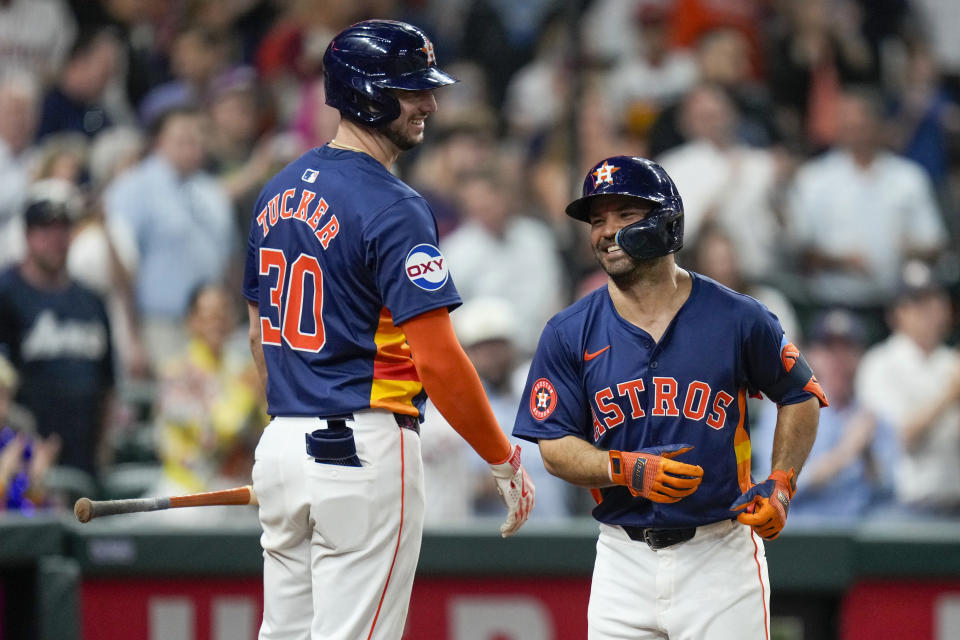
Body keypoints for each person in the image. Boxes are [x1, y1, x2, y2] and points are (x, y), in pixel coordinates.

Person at [242, 20, 535, 640]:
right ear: (367, 92)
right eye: (412, 90)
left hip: (284, 444)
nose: (430, 102)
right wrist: (502, 456)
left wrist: (293, 440)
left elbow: (258, 335)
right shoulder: (393, 203)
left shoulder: (276, 191)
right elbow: (439, 360)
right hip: (363, 447)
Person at [512, 155, 826, 639]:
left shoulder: (738, 317)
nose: (606, 232)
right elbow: (553, 447)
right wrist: (624, 467)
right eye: (598, 220)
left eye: (625, 216)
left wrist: (781, 483)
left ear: (667, 223)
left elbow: (800, 395)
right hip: (622, 558)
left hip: (720, 553)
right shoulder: (568, 331)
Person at [0, 179, 114, 481]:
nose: (55, 238)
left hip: (84, 456)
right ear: (26, 235)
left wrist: (104, 445)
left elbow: (107, 383)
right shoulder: (6, 293)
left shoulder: (91, 299)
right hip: (20, 463)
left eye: (63, 228)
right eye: (45, 229)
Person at [150, 282, 265, 525]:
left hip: (235, 494)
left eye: (223, 313)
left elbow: (264, 433)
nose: (217, 321)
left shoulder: (241, 368)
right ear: (191, 321)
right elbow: (210, 435)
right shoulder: (176, 375)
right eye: (208, 315)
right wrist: (245, 392)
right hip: (186, 494)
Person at [855, 261, 960, 517]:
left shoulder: (951, 362)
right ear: (897, 313)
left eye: (934, 301)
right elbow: (899, 438)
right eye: (917, 304)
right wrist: (949, 395)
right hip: (904, 507)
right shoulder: (880, 363)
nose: (928, 312)